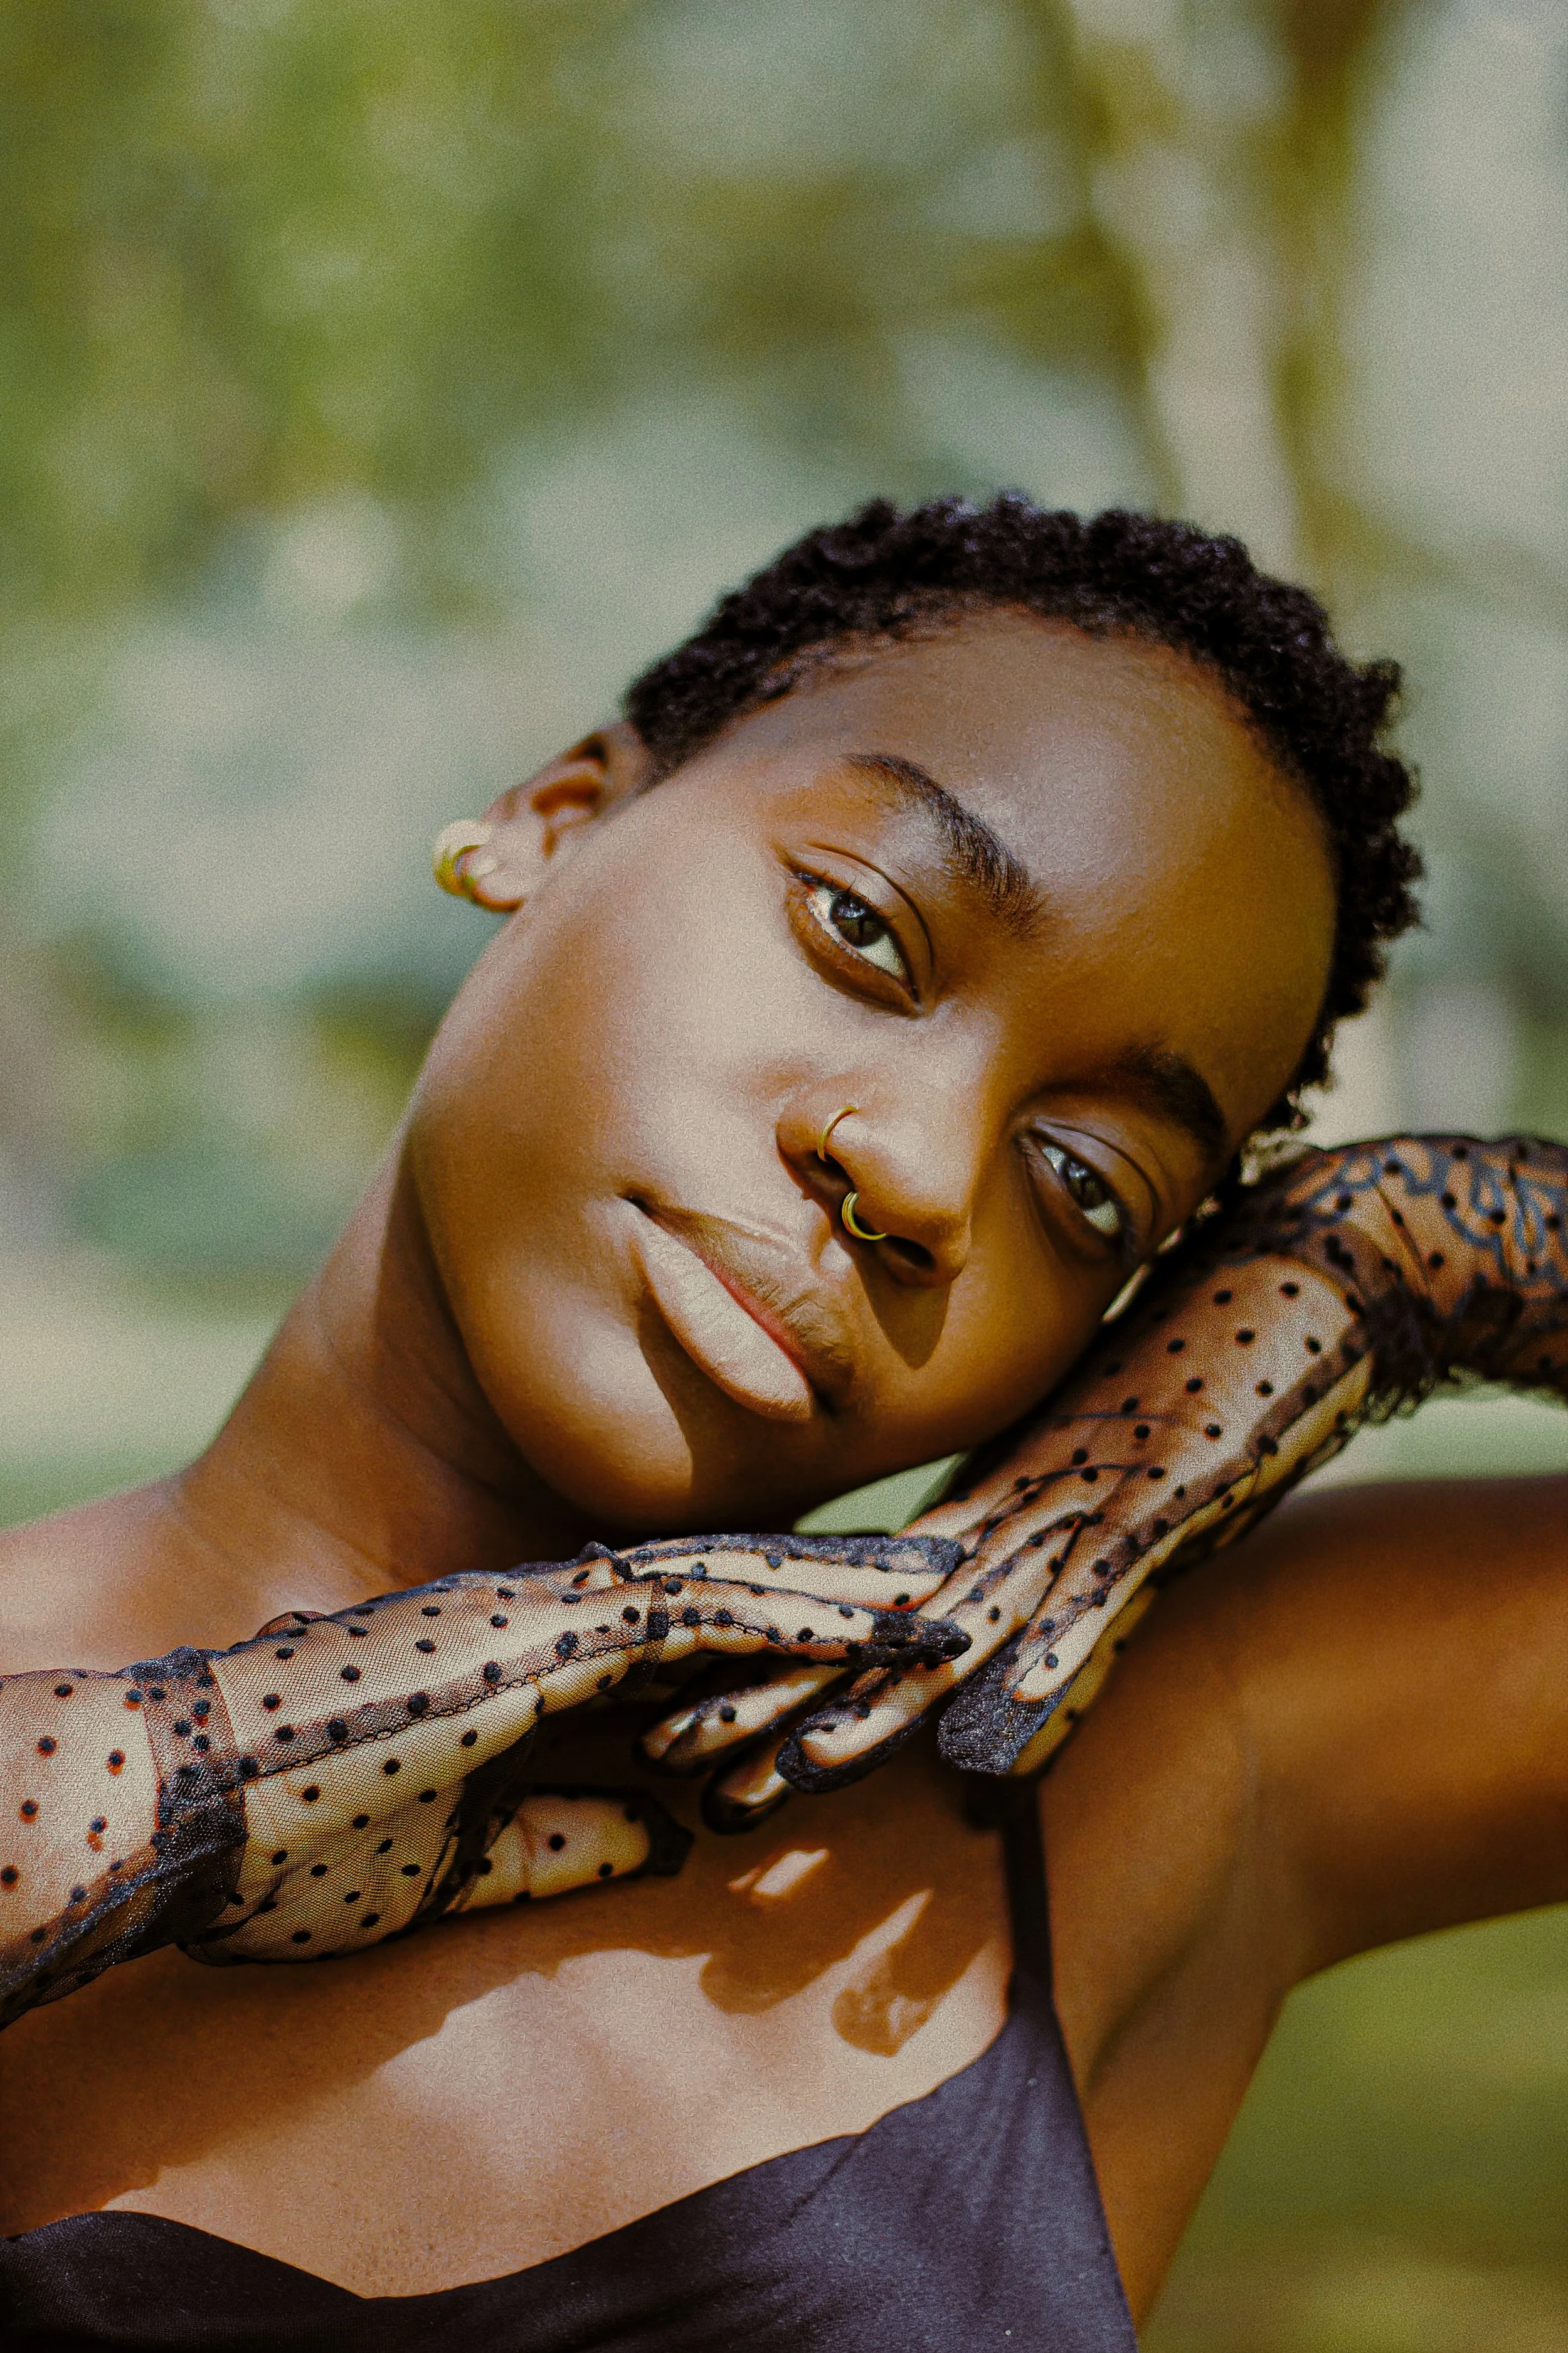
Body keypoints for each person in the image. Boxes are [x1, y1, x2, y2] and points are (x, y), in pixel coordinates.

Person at [0, 498, 1562, 2350]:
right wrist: (212, 1772)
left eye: (1084, 1182)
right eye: (860, 927)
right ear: (553, 822)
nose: (913, 1172)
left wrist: (1382, 1257)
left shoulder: (1141, 1779)